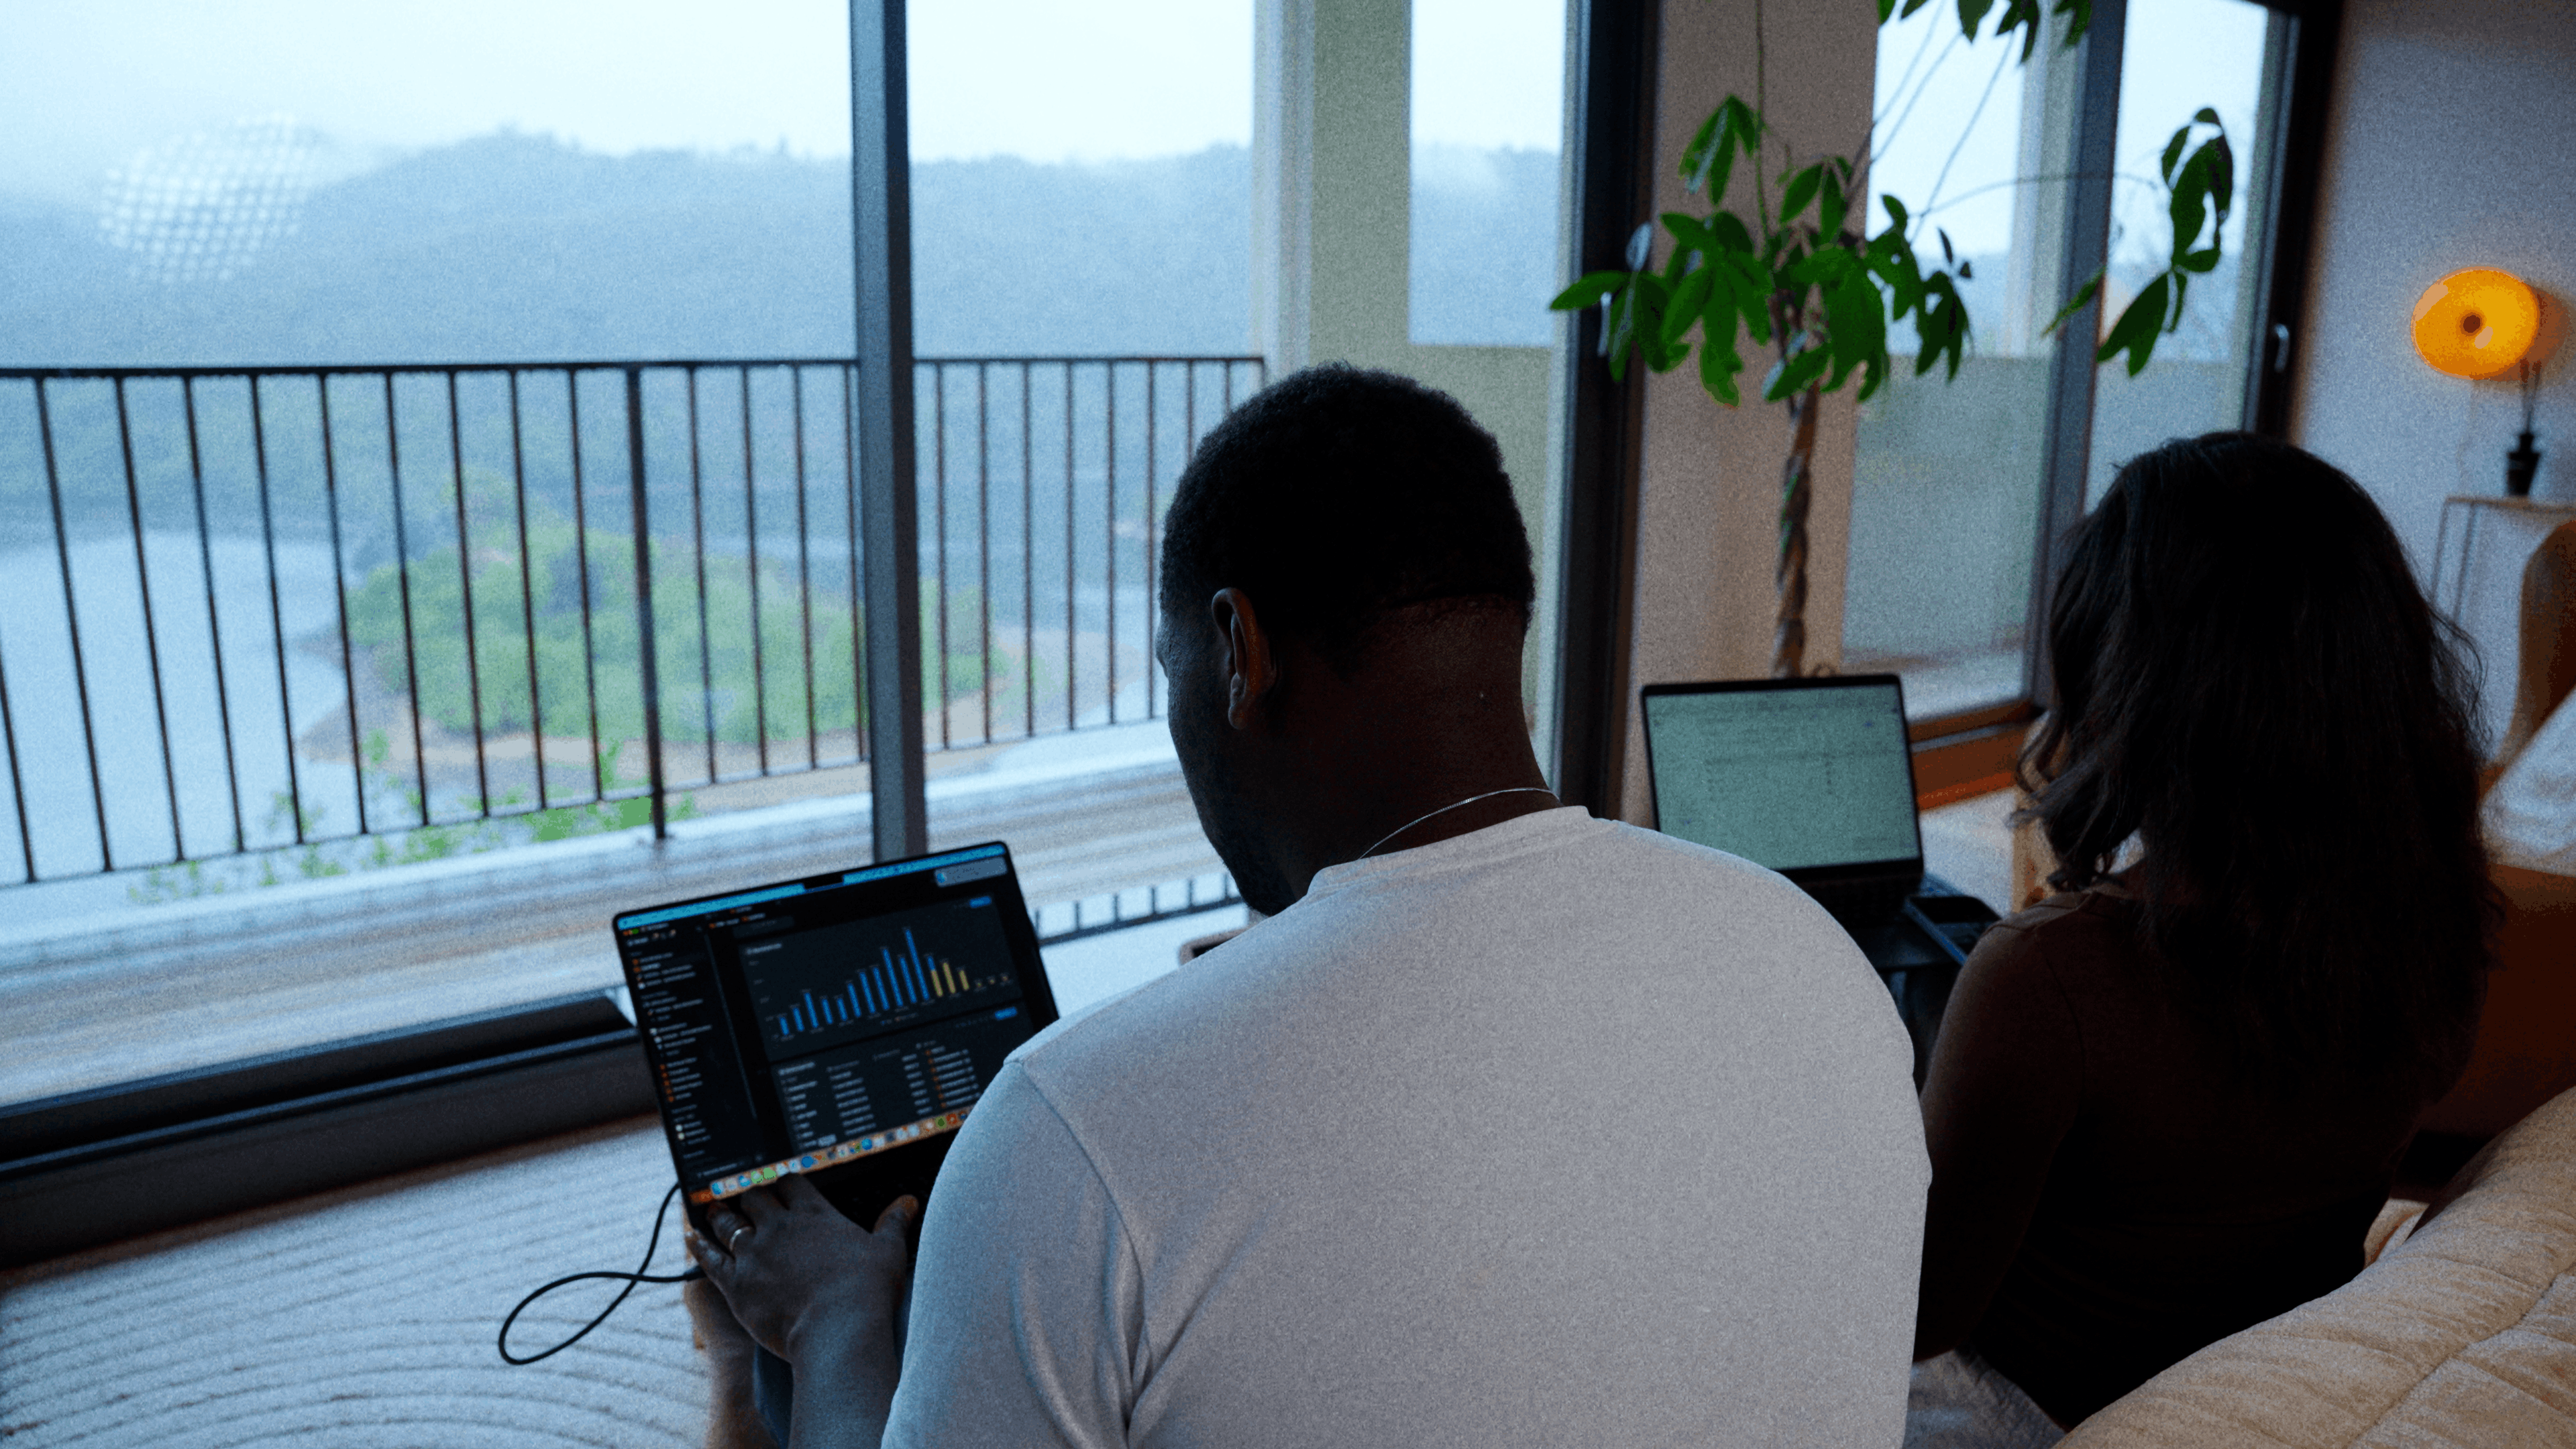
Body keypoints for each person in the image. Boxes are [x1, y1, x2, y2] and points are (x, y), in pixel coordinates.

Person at [684, 364, 1930, 1448]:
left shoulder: (1076, 1132)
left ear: (1238, 649)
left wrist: (835, 1322)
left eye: (1171, 668)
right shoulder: (1820, 963)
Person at [1906, 433, 2496, 1445]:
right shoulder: (2434, 926)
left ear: (2131, 680)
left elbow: (1918, 1314)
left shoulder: (2053, 980)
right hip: (2245, 1364)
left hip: (2025, 1406)